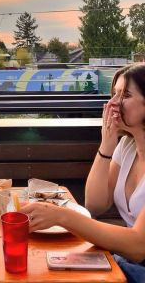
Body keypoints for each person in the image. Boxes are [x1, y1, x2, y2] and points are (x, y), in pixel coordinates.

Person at [21, 63, 145, 283]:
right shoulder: (127, 147)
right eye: (114, 93)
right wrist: (107, 145)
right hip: (128, 261)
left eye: (125, 95)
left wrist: (60, 215)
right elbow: (95, 204)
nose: (113, 103)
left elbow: (138, 246)